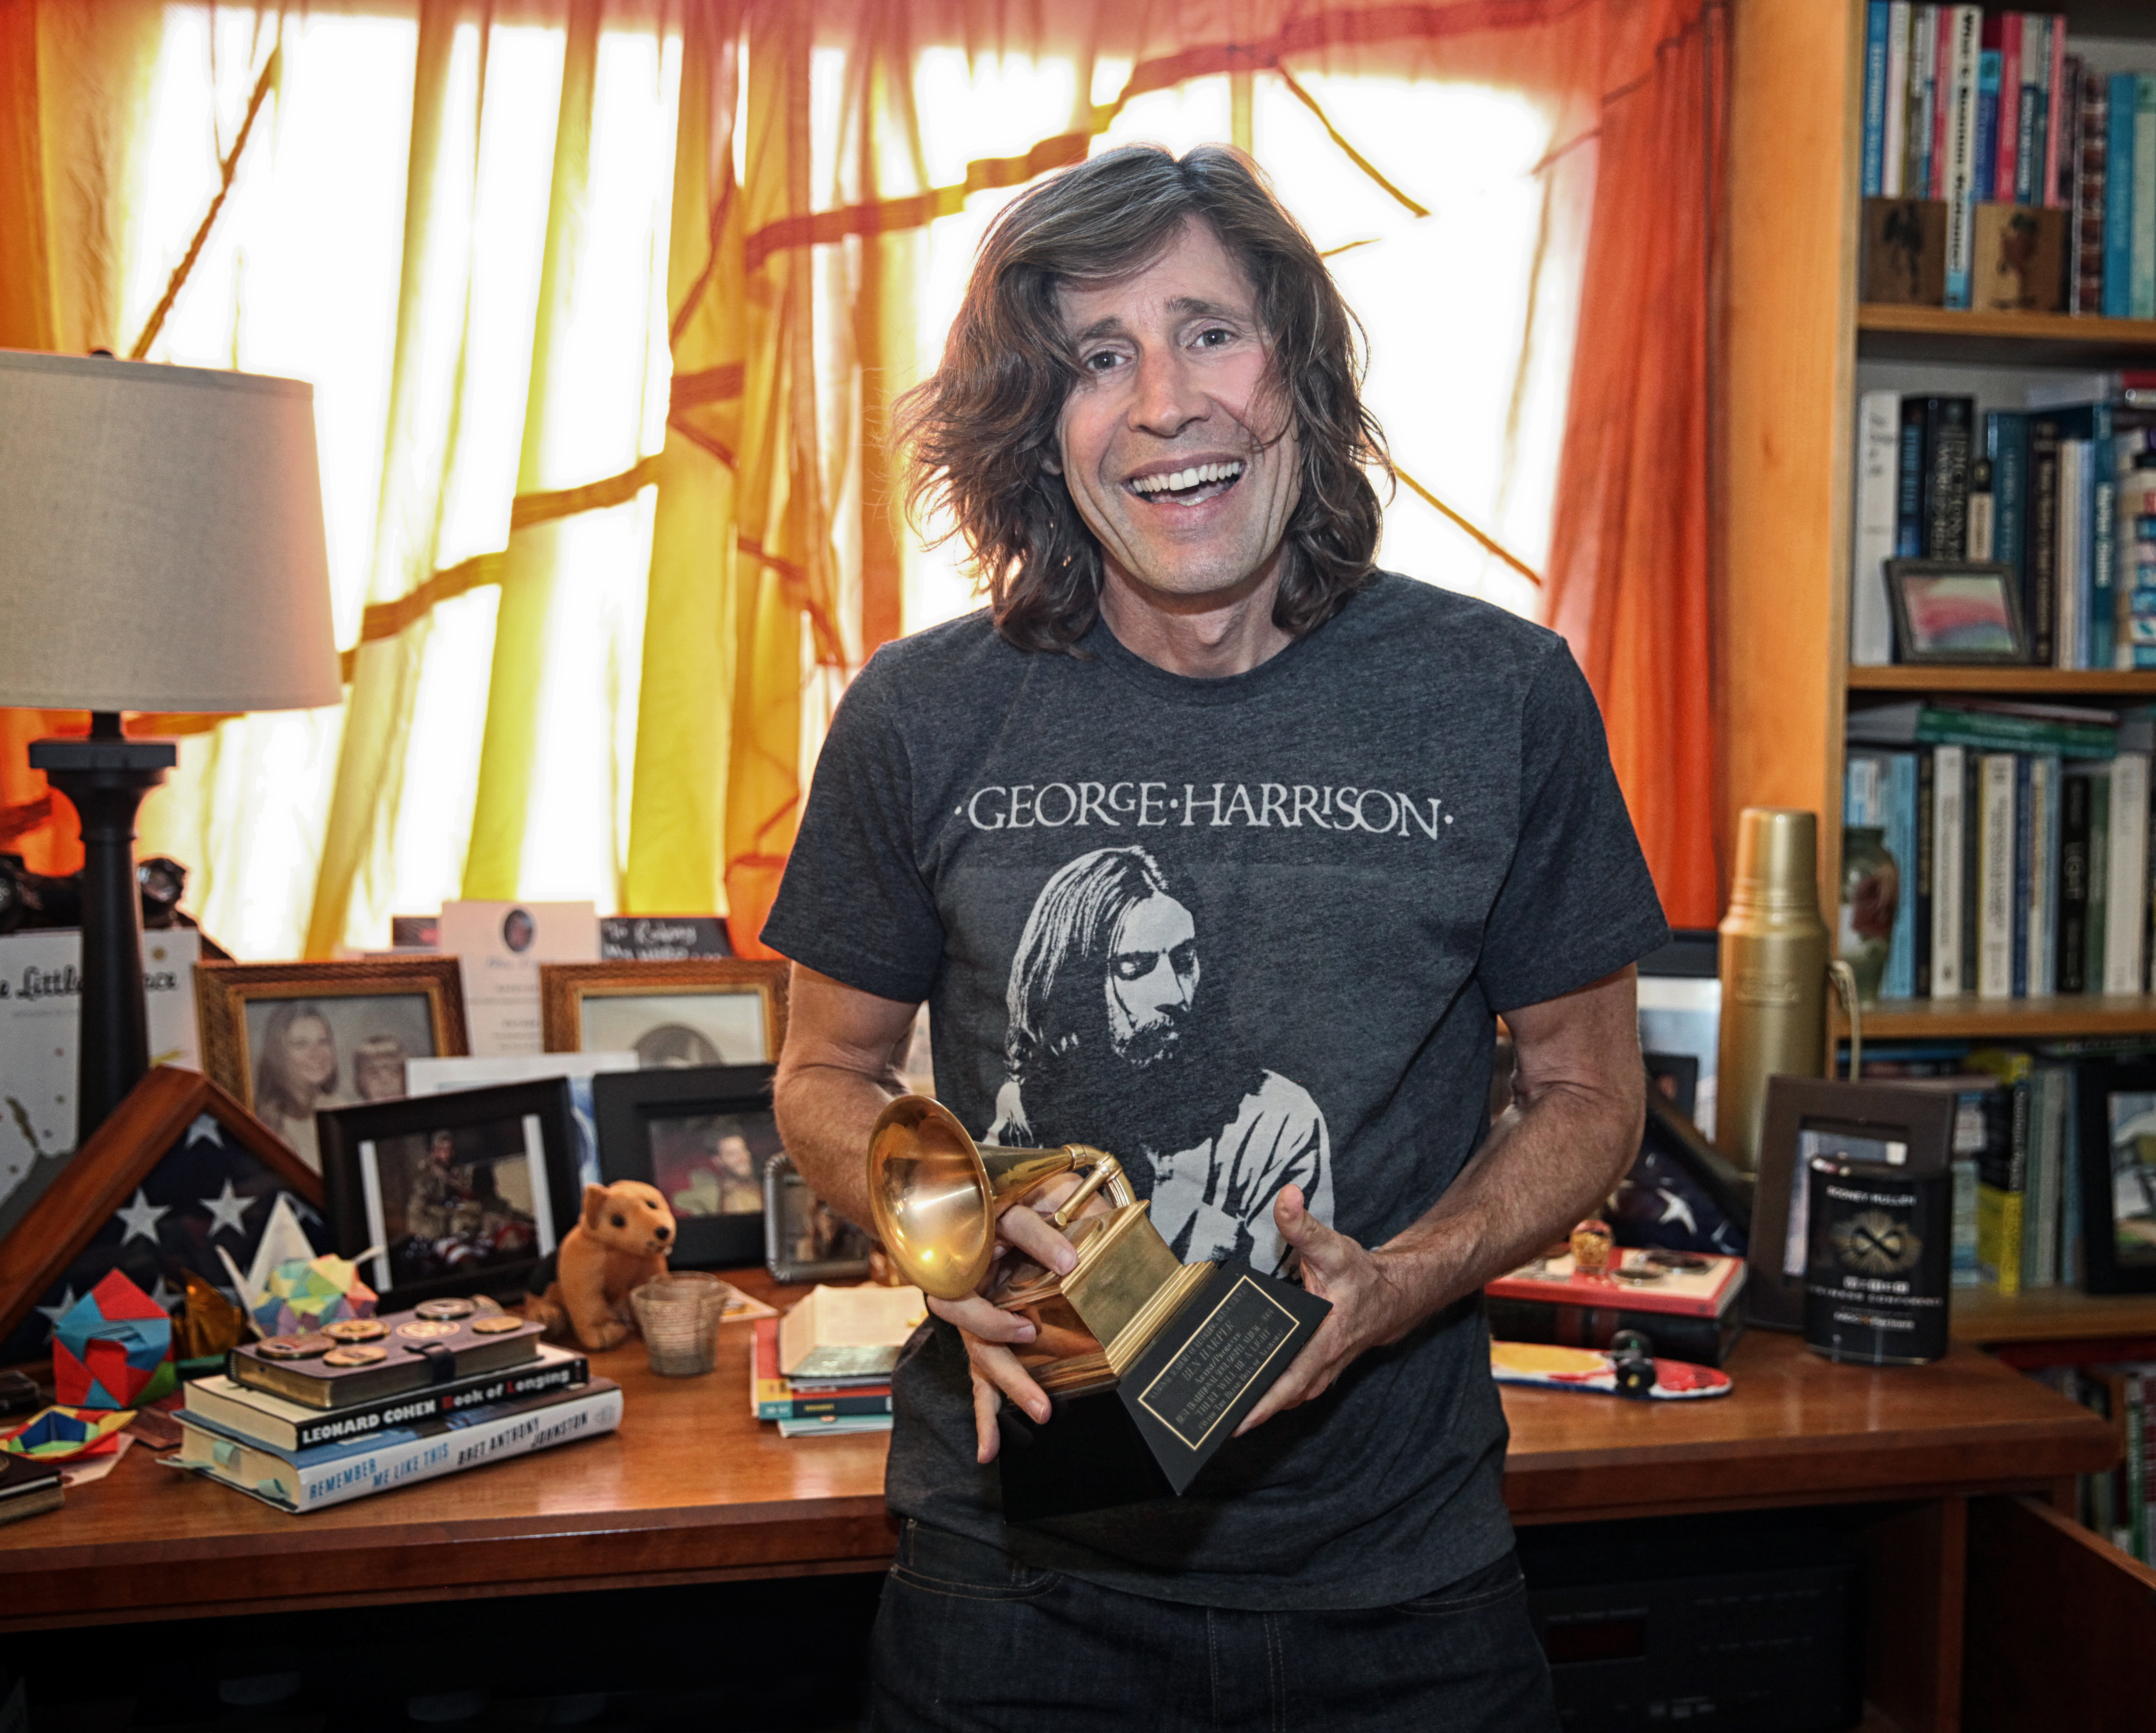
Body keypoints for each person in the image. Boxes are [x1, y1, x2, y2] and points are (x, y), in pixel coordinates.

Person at [767, 143, 1663, 1731]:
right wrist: (944, 1236)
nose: (1163, 402)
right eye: (1096, 359)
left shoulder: (1501, 696)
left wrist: (1402, 1277)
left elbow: (1590, 1093)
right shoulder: (919, 711)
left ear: (1300, 378)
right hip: (1013, 1589)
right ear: (1044, 432)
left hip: (1404, 1589)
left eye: (1209, 331)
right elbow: (823, 1071)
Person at [985, 841, 1330, 1272]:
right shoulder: (1023, 1106)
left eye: (1184, 959)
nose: (1176, 994)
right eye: (1135, 967)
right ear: (1074, 985)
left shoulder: (1279, 1118)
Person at [251, 1002, 350, 1168]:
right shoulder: (265, 1120)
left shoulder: (340, 1108)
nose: (316, 1054)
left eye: (323, 1042)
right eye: (301, 1045)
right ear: (279, 1054)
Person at [669, 1126, 766, 1216]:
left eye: (744, 1151)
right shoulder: (714, 1194)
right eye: (732, 1154)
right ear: (718, 1160)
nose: (742, 1158)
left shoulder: (766, 1182)